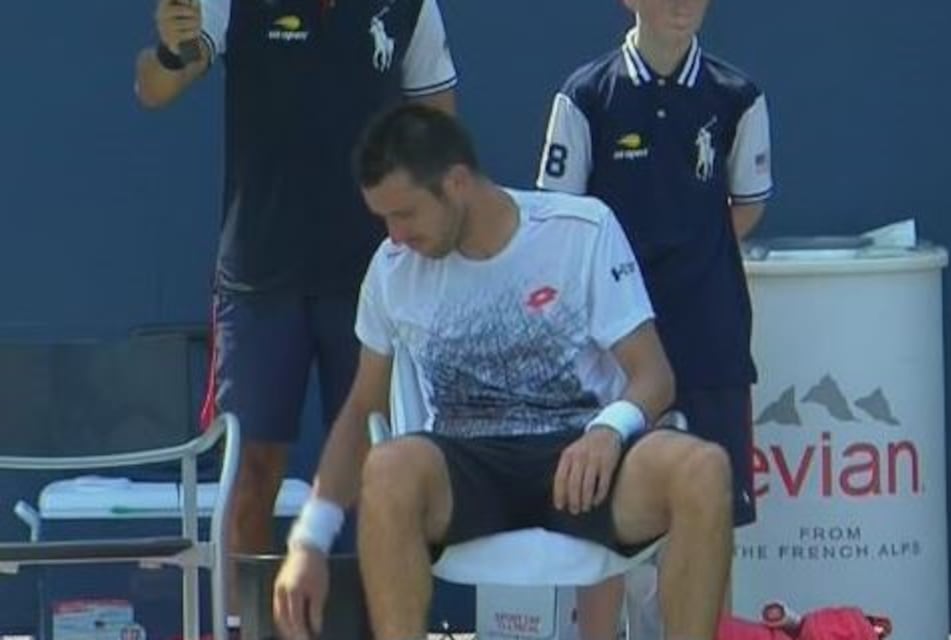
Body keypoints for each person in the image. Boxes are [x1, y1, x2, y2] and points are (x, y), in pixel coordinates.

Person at [273, 103, 734, 640]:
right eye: (384, 219)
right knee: (389, 466)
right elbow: (361, 410)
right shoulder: (391, 269)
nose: (395, 235)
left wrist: (609, 430)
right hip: (465, 469)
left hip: (582, 462)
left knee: (704, 469)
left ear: (457, 183)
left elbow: (654, 375)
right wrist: (309, 541)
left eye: (406, 214)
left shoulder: (582, 230)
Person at [133, 0, 457, 626]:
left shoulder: (413, 7)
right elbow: (155, 87)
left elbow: (437, 123)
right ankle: (245, 628)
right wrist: (172, 51)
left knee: (381, 472)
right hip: (259, 279)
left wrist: (438, 226)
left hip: (374, 282)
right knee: (250, 474)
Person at [536, 0, 774, 636]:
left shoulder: (738, 96)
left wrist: (693, 253)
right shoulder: (586, 95)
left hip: (710, 339)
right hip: (613, 346)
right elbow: (560, 220)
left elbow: (747, 205)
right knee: (596, 516)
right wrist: (617, 287)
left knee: (713, 517)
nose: (681, 4)